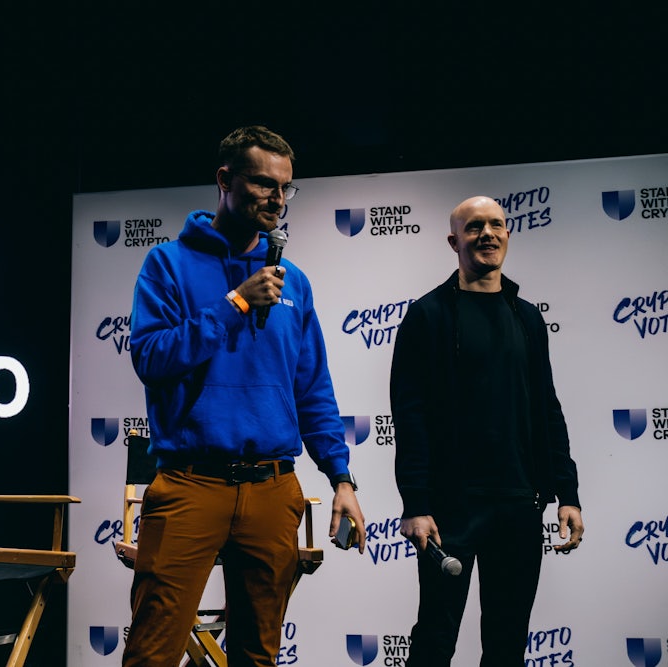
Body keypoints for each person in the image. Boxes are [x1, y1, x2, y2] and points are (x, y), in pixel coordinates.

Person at [122, 125, 365, 667]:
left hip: (272, 489)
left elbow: (312, 388)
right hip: (190, 483)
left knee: (258, 655)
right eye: (263, 185)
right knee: (152, 651)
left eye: (285, 189)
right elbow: (152, 359)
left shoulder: (292, 281)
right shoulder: (167, 264)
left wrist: (341, 478)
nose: (278, 200)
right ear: (224, 180)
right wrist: (233, 304)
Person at [390, 195, 585, 666]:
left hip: (519, 504)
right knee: (435, 639)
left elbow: (547, 410)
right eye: (475, 226)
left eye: (497, 225)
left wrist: (568, 493)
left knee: (507, 641)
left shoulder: (528, 317)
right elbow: (409, 417)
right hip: (450, 507)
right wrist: (416, 504)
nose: (488, 234)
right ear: (454, 240)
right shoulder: (428, 315)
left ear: (508, 235)